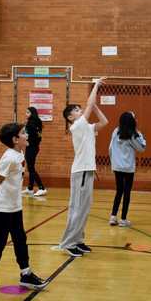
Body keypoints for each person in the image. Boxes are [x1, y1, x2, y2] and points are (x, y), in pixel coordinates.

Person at [0, 122, 49, 293]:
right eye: (23, 133)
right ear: (14, 139)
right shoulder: (9, 158)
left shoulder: (19, 153)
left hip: (14, 205)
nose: (26, 135)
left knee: (20, 239)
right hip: (2, 208)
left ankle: (25, 274)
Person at [58, 77, 108, 257]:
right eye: (77, 110)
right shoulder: (77, 126)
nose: (81, 111)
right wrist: (96, 85)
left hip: (88, 171)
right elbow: (89, 103)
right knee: (77, 207)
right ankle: (69, 243)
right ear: (71, 117)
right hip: (80, 172)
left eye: (80, 109)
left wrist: (95, 107)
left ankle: (78, 240)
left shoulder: (87, 127)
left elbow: (104, 122)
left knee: (85, 207)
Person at [109, 111, 146, 227]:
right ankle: (123, 219)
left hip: (117, 166)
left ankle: (113, 216)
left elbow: (110, 148)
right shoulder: (133, 134)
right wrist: (140, 135)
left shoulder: (115, 131)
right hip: (128, 167)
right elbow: (141, 148)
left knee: (119, 191)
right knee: (127, 192)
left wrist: (112, 163)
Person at [23, 106, 47, 197]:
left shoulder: (31, 123)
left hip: (32, 147)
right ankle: (30, 188)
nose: (26, 114)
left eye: (28, 112)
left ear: (32, 113)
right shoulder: (37, 122)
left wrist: (25, 126)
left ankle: (42, 188)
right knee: (30, 167)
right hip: (34, 147)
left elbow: (26, 135)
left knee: (31, 168)